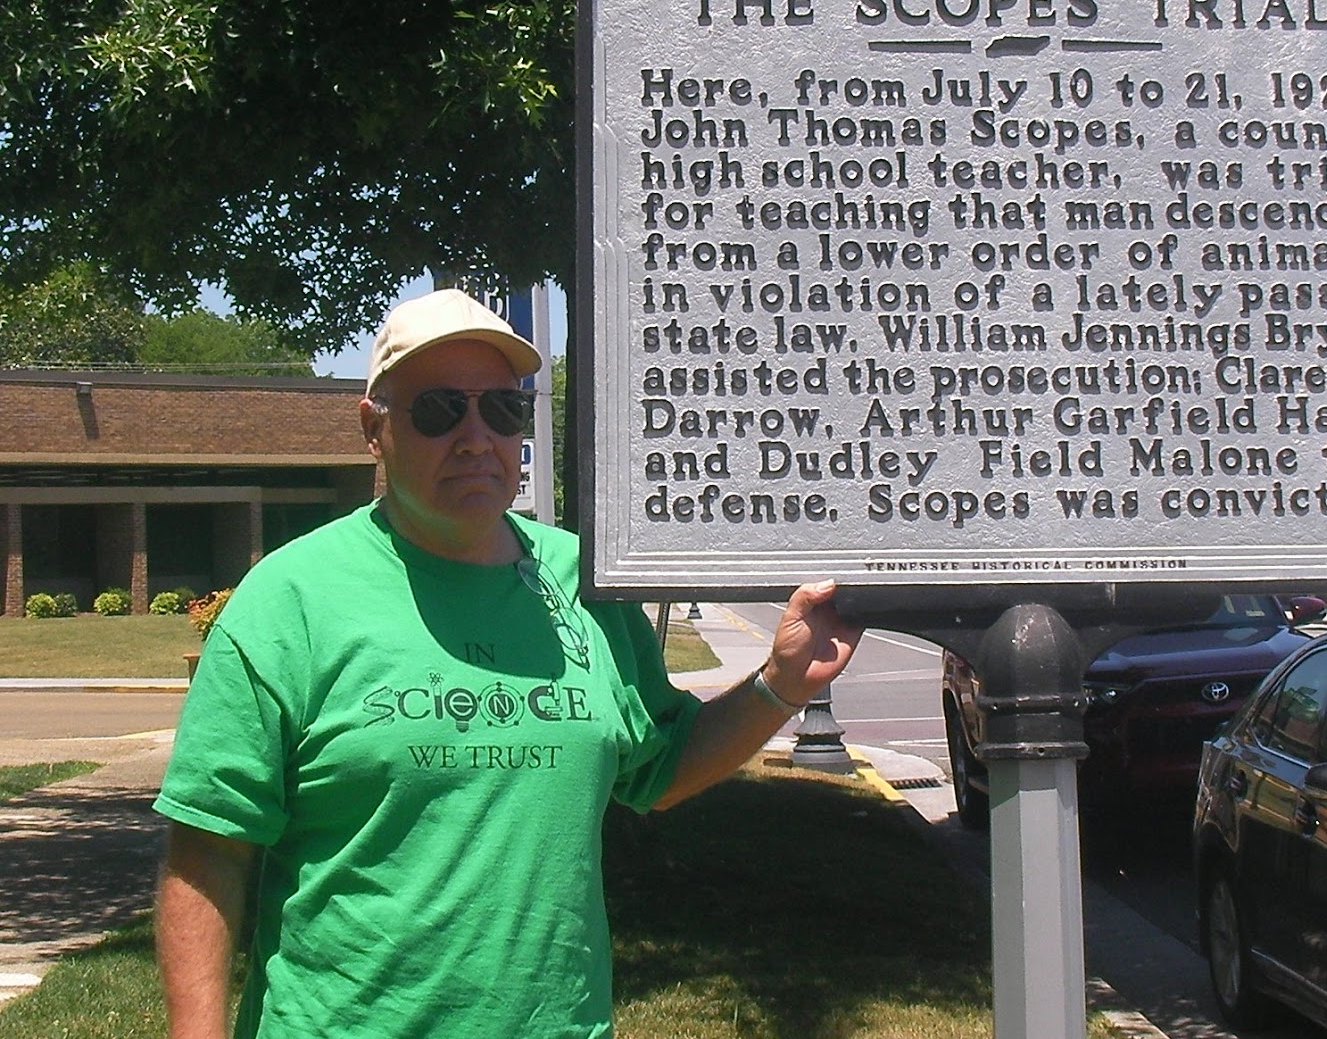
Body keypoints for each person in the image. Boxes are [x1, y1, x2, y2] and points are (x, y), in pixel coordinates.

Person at [153, 288, 860, 1039]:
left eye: (501, 409)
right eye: (438, 410)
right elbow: (208, 851)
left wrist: (781, 685)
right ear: (374, 428)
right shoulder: (289, 600)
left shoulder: (584, 583)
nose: (474, 436)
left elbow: (661, 766)